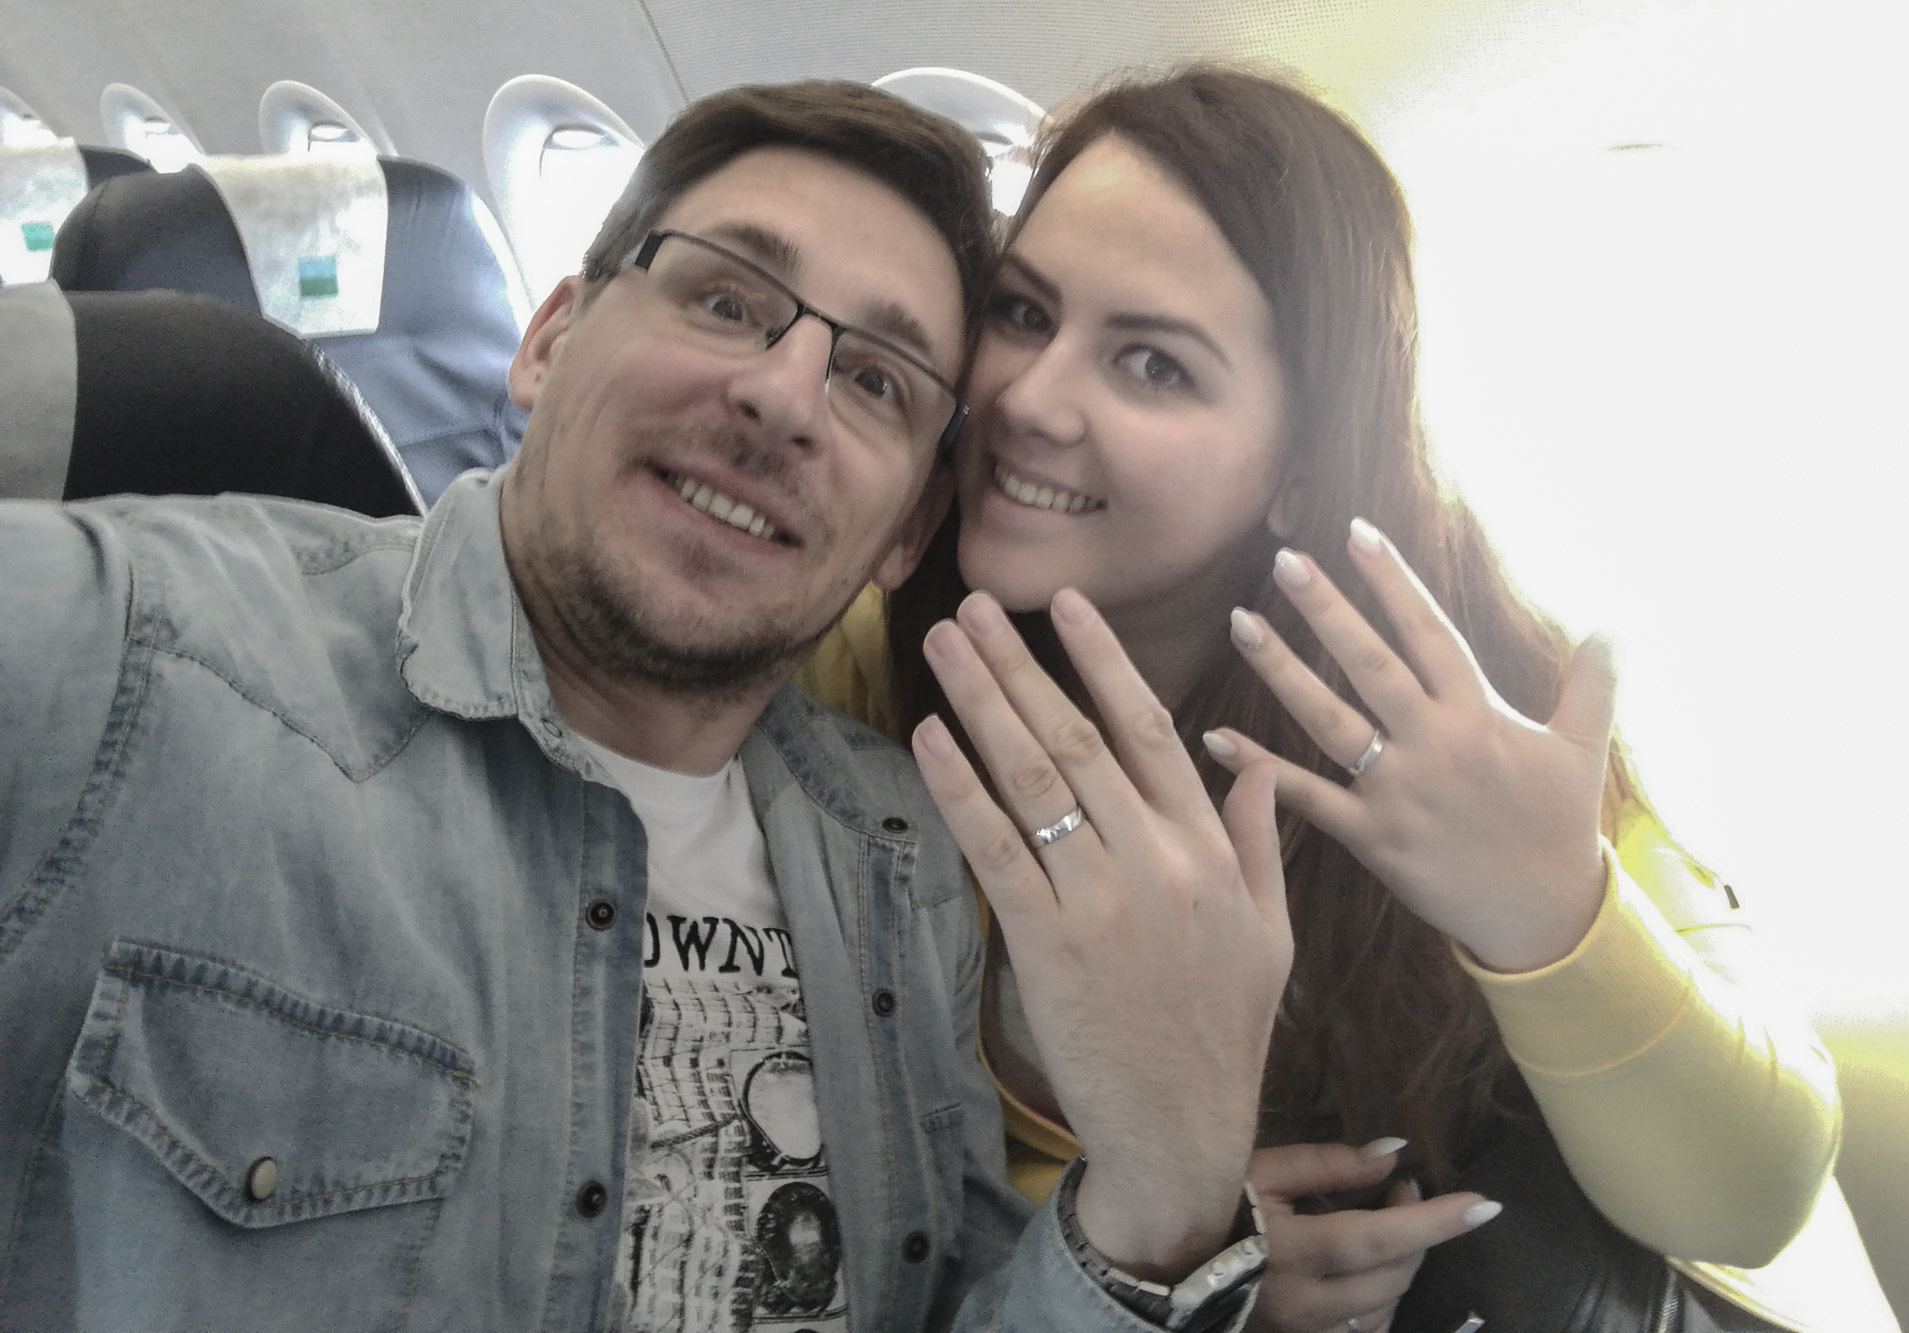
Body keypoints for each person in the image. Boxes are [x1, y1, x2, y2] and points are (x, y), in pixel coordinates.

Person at [0, 80, 1294, 1333]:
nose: (783, 398)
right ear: (550, 337)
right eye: (727, 301)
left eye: (876, 380)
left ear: (908, 531)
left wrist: (1159, 1204)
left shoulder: (907, 859)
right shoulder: (129, 660)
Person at [801, 67, 1900, 1332]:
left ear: (1301, 471)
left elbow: (1751, 1197)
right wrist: (1191, 1253)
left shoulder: (1464, 698)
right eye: (1021, 311)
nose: (1027, 401)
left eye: (1152, 364)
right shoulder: (854, 651)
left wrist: (1551, 914)